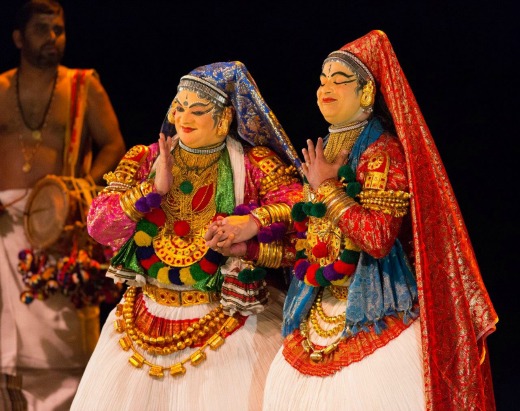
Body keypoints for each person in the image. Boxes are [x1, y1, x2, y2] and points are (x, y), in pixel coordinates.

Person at [210, 30, 498, 410]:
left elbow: (377, 239)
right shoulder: (328, 147)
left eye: (339, 80)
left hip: (377, 314)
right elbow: (312, 247)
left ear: (366, 93)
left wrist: (328, 188)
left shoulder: (383, 151)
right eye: (321, 81)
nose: (325, 88)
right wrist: (248, 248)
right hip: (319, 312)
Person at [70, 60, 303, 411]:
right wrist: (152, 190)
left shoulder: (255, 164)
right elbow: (99, 226)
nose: (183, 117)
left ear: (224, 119)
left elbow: (300, 212)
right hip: (141, 318)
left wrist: (252, 224)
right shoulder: (146, 158)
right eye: (179, 107)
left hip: (228, 324)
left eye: (197, 110)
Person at [0, 0, 126, 409]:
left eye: (58, 29)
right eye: (41, 29)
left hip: (62, 232)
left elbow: (113, 145)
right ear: (19, 38)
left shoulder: (83, 85)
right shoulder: (0, 88)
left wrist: (80, 189)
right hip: (4, 231)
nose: (53, 37)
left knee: (63, 347)